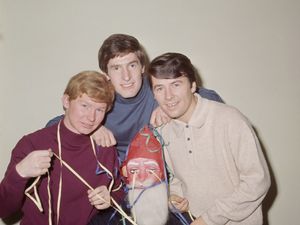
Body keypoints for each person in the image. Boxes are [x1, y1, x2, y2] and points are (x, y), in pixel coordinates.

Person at [46, 34, 224, 163]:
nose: (126, 77)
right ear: (106, 74)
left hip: (164, 181)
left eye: (132, 65)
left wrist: (172, 106)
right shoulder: (101, 101)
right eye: (116, 68)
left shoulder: (160, 90)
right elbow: (52, 126)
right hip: (115, 184)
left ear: (142, 67)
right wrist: (89, 128)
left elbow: (213, 98)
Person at [148, 52, 271, 225]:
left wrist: (209, 219)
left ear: (192, 85)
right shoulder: (164, 131)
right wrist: (174, 197)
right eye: (160, 88)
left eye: (176, 84)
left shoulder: (230, 119)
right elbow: (179, 177)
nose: (168, 96)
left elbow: (258, 181)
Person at [0, 71, 125, 225]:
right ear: (66, 101)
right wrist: (20, 173)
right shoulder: (32, 144)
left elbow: (119, 191)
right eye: (85, 105)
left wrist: (110, 199)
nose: (91, 117)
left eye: (99, 110)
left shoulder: (105, 148)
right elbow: (4, 210)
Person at [89, 126, 193, 225]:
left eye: (151, 170)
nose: (142, 178)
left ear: (162, 174)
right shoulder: (107, 219)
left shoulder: (180, 219)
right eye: (134, 170)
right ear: (125, 173)